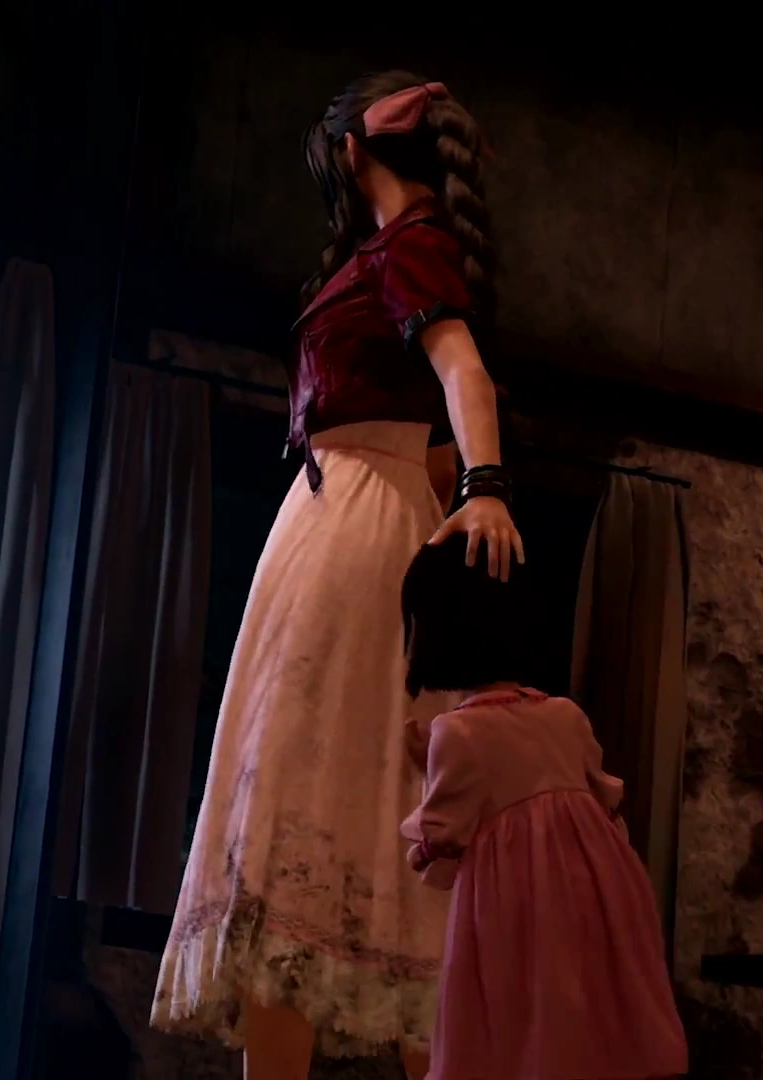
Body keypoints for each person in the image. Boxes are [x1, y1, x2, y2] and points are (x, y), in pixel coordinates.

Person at [153, 73, 524, 1080]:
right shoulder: (390, 251)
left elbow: (462, 370)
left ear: (352, 150)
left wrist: (484, 485)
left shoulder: (412, 246)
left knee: (328, 784)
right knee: (305, 789)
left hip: (359, 516)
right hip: (339, 512)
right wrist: (447, 489)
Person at [398, 535, 688, 1079]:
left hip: (513, 904)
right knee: (586, 1015)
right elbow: (605, 801)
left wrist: (423, 769)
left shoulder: (456, 733)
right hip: (599, 892)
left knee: (518, 1019)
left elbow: (443, 839)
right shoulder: (565, 715)